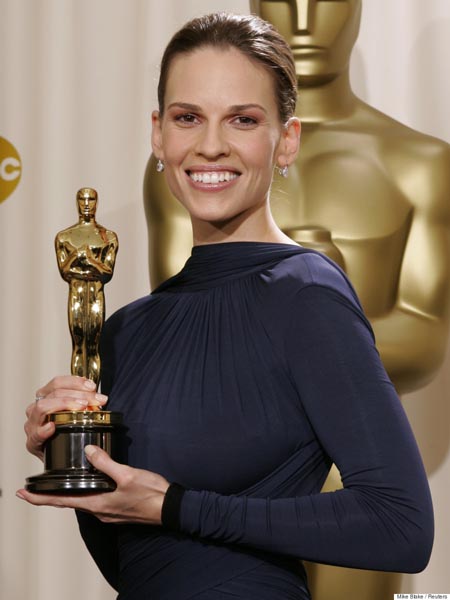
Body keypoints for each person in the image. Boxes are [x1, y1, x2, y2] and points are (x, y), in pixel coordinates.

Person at [18, 13, 433, 600]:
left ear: (286, 140)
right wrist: (79, 456)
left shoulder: (306, 295)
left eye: (243, 119)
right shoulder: (126, 331)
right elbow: (133, 561)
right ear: (158, 135)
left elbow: (401, 526)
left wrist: (174, 506)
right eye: (189, 118)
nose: (211, 144)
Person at [55, 188, 119, 387]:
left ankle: (90, 397)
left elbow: (107, 273)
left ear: (96, 202)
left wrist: (87, 260)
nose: (86, 203)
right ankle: (80, 396)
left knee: (93, 345)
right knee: (78, 345)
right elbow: (65, 271)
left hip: (95, 294)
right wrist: (79, 259)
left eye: (91, 199)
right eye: (82, 199)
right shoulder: (65, 237)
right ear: (76, 202)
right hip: (76, 293)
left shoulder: (108, 237)